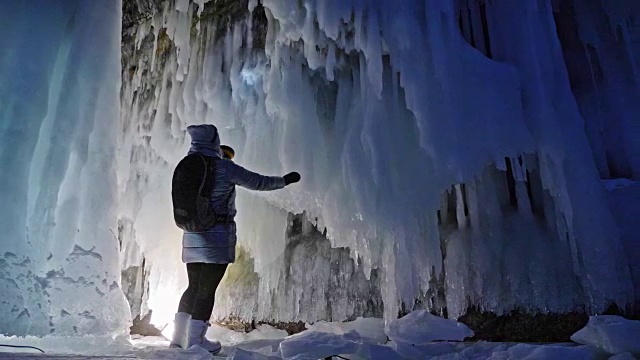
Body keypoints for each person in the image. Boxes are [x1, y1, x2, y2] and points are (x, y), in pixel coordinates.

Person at [170, 124, 300, 353]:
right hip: (216, 236)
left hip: (191, 234)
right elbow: (258, 182)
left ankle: (177, 340)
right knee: (207, 289)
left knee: (193, 286)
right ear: (213, 141)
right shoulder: (223, 167)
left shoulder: (187, 164)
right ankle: (196, 341)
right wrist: (285, 180)